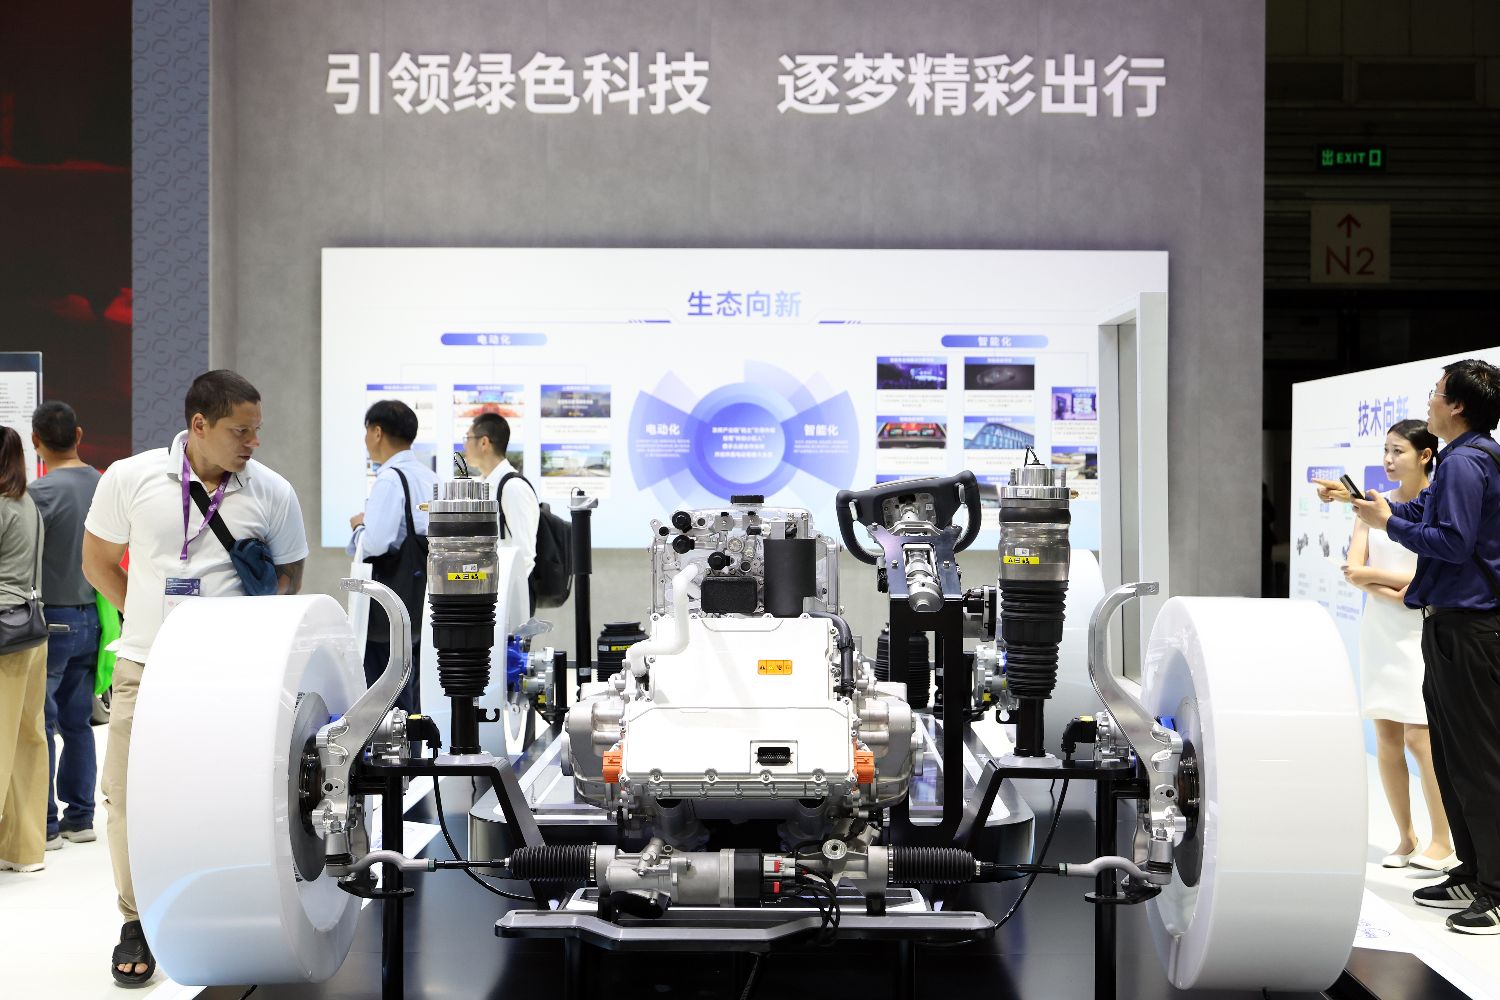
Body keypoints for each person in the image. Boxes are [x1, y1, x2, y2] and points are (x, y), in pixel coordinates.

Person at [83, 370, 308, 983]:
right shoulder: (130, 477)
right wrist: (147, 618)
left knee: (228, 793)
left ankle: (222, 904)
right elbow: (97, 562)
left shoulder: (272, 491)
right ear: (199, 425)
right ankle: (137, 920)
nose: (253, 443)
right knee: (125, 795)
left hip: (233, 676)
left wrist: (242, 631)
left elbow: (290, 573)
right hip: (145, 664)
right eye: (241, 431)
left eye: (257, 431)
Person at [1317, 358, 1500, 935]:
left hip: (1470, 628)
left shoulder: (1467, 462)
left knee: (1476, 761)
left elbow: (1451, 542)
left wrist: (1387, 524)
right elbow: (1419, 512)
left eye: (1437, 392)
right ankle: (1473, 872)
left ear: (1458, 405)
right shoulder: (1461, 459)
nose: (1430, 400)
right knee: (1450, 756)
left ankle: (1495, 890)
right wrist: (1364, 506)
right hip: (1450, 626)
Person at [1339, 420, 1453, 871]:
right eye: (1385, 450)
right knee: (1386, 736)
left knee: (1421, 739)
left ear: (1425, 455)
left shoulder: (1435, 508)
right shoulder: (1371, 506)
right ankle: (1406, 837)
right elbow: (1354, 570)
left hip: (1421, 632)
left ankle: (1443, 840)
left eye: (1398, 451)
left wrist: (1383, 581)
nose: (1388, 459)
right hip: (1381, 631)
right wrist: (1397, 589)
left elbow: (1421, 580)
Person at [30, 401, 103, 852]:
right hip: (94, 616)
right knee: (79, 723)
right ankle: (81, 818)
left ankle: (45, 824)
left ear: (36, 441)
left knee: (42, 723)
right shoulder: (103, 484)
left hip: (49, 618)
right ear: (78, 434)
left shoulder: (37, 494)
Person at [348, 400, 435, 713]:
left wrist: (358, 527)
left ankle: (393, 743)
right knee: (413, 683)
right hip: (421, 597)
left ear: (377, 432)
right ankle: (414, 740)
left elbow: (375, 544)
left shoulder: (389, 478)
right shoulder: (430, 477)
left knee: (384, 685)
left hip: (388, 604)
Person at [0, 427, 50, 874]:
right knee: (28, 738)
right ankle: (25, 848)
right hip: (31, 627)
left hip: (3, 630)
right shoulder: (26, 502)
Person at [462, 413, 538, 612]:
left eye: (467, 438)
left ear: (484, 442)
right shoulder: (483, 484)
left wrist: (506, 597)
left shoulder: (513, 487)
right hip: (487, 591)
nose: (464, 446)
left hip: (509, 595)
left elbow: (524, 555)